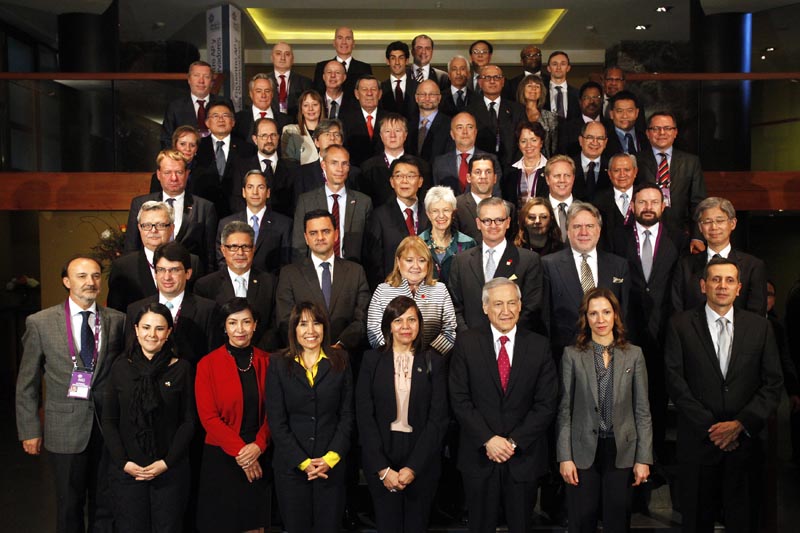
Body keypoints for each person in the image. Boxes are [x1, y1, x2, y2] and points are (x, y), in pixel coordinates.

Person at [665, 257, 783, 533]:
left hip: (745, 444)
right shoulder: (680, 325)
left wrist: (740, 425)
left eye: (729, 280)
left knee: (743, 521)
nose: (722, 286)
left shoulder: (760, 327)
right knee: (696, 522)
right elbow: (675, 381)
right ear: (703, 285)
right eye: (715, 279)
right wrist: (712, 428)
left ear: (739, 288)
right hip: (698, 443)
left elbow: (772, 384)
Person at [16, 255, 126, 533]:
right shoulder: (40, 323)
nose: (90, 282)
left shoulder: (118, 321)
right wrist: (29, 429)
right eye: (82, 276)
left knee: (106, 505)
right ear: (66, 281)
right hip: (64, 429)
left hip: (108, 427)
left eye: (96, 276)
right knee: (68, 506)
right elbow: (27, 382)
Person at [449, 277, 558, 533]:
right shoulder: (466, 343)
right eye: (498, 304)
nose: (506, 311)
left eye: (512, 303)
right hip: (479, 456)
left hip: (523, 457)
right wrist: (489, 439)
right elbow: (459, 399)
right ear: (485, 308)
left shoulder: (540, 346)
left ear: (520, 306)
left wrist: (512, 442)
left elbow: (546, 404)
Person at [557, 288, 653, 533]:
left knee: (617, 521)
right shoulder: (572, 355)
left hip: (621, 449)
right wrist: (564, 457)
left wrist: (643, 458)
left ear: (615, 315)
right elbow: (565, 410)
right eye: (593, 313)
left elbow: (642, 411)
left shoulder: (634, 355)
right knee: (582, 521)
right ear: (585, 318)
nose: (600, 320)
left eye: (606, 312)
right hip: (582, 451)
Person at [356, 296, 449, 533]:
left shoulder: (433, 361)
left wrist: (413, 468)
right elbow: (364, 417)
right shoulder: (371, 360)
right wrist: (383, 469)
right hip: (382, 460)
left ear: (420, 324)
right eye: (398, 320)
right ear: (388, 325)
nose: (405, 327)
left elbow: (438, 419)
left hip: (421, 461)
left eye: (412, 320)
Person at [103, 302, 195, 533]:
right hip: (128, 471)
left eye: (159, 328)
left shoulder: (182, 369)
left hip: (170, 470)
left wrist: (166, 463)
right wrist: (124, 463)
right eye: (146, 327)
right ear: (135, 329)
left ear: (169, 332)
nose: (151, 335)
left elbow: (189, 421)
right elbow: (109, 420)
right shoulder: (120, 367)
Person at [609, 184, 683, 460]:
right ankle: (627, 457)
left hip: (666, 330)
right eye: (642, 202)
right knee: (625, 398)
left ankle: (657, 460)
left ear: (663, 206)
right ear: (633, 206)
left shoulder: (679, 238)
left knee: (658, 399)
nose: (648, 207)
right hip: (628, 330)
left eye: (654, 201)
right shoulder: (616, 237)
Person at [266, 302, 354, 533]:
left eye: (316, 323)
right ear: (293, 329)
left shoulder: (341, 360)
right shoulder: (277, 363)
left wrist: (331, 457)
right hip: (292, 468)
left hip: (331, 466)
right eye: (303, 324)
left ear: (325, 327)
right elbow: (277, 420)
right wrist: (303, 462)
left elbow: (347, 415)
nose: (310, 331)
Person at [195, 298, 271, 533]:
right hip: (222, 456)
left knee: (255, 525)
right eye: (233, 322)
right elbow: (208, 418)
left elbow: (276, 411)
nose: (240, 329)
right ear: (224, 327)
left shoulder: (269, 361)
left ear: (255, 325)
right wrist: (242, 453)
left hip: (261, 452)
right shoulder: (207, 364)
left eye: (246, 322)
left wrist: (258, 446)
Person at [542, 201, 630, 359]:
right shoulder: (548, 265)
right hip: (564, 355)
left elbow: (624, 313)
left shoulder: (619, 265)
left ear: (599, 230)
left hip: (610, 355)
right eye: (577, 227)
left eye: (589, 226)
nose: (584, 232)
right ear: (568, 231)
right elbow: (545, 318)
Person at [277, 210, 370, 353]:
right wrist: (310, 348)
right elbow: (285, 320)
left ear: (336, 234)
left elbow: (362, 318)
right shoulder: (290, 274)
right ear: (306, 238)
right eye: (313, 233)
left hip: (346, 357)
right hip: (303, 358)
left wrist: (340, 345)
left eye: (326, 231)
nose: (320, 237)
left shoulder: (355, 271)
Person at [448, 197, 544, 335]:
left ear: (508, 222)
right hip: (471, 344)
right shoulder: (461, 261)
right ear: (478, 223)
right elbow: (455, 307)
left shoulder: (528, 260)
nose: (493, 226)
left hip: (512, 344)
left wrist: (505, 336)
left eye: (499, 220)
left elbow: (531, 307)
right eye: (487, 220)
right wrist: (469, 338)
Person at [126, 242, 221, 365]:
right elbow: (129, 355)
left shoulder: (208, 310)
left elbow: (213, 359)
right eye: (161, 270)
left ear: (188, 273)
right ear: (155, 273)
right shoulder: (135, 309)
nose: (167, 277)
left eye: (174, 270)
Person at [125, 149, 218, 272]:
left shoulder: (204, 207)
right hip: (147, 276)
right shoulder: (140, 204)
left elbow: (210, 257)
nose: (173, 178)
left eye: (179, 172)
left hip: (190, 279)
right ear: (158, 174)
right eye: (167, 172)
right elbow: (131, 248)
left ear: (187, 174)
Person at [672, 197, 767, 316]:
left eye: (720, 220)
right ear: (700, 228)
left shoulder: (753, 266)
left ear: (732, 224)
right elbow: (678, 311)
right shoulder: (685, 265)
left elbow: (757, 317)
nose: (714, 227)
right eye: (707, 222)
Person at [367, 236, 457, 356]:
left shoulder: (440, 290)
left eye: (422, 260)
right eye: (409, 260)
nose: (416, 266)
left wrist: (428, 357)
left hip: (432, 362)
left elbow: (449, 330)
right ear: (398, 262)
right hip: (390, 360)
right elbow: (374, 331)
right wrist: (394, 354)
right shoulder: (382, 290)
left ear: (429, 264)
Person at [196, 221, 278, 350]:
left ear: (253, 249)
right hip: (221, 357)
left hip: (261, 356)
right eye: (233, 247)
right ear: (223, 250)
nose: (240, 253)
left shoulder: (270, 282)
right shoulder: (206, 285)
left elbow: (274, 326)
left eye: (246, 247)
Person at [109, 200, 202, 313]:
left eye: (160, 225)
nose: (153, 230)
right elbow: (116, 313)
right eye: (147, 225)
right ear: (139, 228)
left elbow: (198, 306)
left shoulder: (192, 261)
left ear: (172, 228)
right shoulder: (123, 266)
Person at [637, 111, 708, 252]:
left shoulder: (691, 162)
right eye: (656, 128)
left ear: (675, 132)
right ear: (648, 133)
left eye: (667, 128)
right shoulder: (636, 161)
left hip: (682, 234)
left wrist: (698, 236)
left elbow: (698, 202)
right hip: (644, 231)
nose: (662, 132)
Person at [292, 144, 373, 263]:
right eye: (334, 163)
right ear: (323, 165)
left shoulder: (363, 202)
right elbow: (299, 246)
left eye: (344, 163)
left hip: (352, 273)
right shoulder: (306, 201)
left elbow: (368, 247)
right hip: (314, 274)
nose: (340, 169)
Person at [365, 155, 430, 288]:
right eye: (399, 176)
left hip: (427, 290)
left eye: (411, 176)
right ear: (392, 182)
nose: (404, 181)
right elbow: (374, 263)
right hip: (393, 291)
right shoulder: (379, 216)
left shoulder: (430, 213)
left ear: (420, 181)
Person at [216, 169, 292, 275]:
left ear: (268, 192)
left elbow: (285, 262)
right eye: (250, 187)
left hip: (271, 285)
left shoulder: (284, 224)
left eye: (260, 187)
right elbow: (222, 260)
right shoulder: (226, 223)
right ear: (243, 192)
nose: (255, 192)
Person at [194, 99, 256, 218]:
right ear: (207, 123)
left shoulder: (247, 149)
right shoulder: (198, 147)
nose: (221, 119)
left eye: (225, 115)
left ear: (233, 122)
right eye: (215, 116)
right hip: (204, 212)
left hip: (237, 212)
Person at [230, 116, 300, 217]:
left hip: (284, 225)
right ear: (255, 139)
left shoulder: (293, 167)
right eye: (264, 136)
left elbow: (297, 202)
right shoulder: (242, 167)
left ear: (278, 137)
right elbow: (236, 200)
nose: (269, 140)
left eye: (273, 135)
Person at [467, 64, 525, 168]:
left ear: (502, 82)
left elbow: (524, 140)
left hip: (512, 168)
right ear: (480, 82)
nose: (492, 81)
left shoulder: (517, 110)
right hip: (480, 168)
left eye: (496, 77)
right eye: (487, 77)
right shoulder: (469, 111)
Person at [419, 185, 477, 283]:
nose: (441, 216)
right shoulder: (419, 243)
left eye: (446, 210)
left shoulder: (468, 244)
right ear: (428, 214)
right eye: (435, 211)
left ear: (454, 213)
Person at [431, 111, 498, 194]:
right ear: (452, 134)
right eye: (459, 127)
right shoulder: (440, 163)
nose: (465, 132)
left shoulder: (491, 160)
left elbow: (496, 195)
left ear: (475, 132)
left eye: (470, 127)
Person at [455, 153, 512, 243]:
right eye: (478, 172)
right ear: (469, 178)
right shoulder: (456, 206)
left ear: (495, 178)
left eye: (488, 172)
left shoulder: (508, 207)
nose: (483, 176)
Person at [160, 60, 217, 147]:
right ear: (189, 79)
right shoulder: (175, 107)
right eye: (196, 76)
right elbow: (167, 139)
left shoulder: (223, 103)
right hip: (185, 158)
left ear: (212, 82)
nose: (201, 81)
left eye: (206, 77)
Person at [340, 74, 386, 166]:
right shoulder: (344, 120)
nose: (369, 93)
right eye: (364, 89)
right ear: (357, 94)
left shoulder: (389, 119)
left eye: (373, 89)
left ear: (380, 94)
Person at [502, 120, 549, 209]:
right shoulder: (510, 171)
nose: (529, 145)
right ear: (519, 145)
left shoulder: (551, 169)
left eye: (533, 140)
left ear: (541, 143)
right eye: (523, 141)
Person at [313, 26, 373, 95]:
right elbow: (316, 95)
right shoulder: (321, 67)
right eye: (340, 38)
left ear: (353, 43)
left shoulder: (364, 68)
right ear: (334, 43)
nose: (344, 42)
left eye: (348, 38)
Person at [233, 73, 289, 145]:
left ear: (272, 94)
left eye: (267, 91)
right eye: (259, 91)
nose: (263, 95)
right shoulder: (238, 119)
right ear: (251, 94)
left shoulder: (286, 121)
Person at [150, 125, 205, 194]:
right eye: (182, 144)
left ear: (196, 149)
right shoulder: (160, 175)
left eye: (192, 145)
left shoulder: (205, 175)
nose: (187, 149)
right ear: (175, 146)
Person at [408, 79, 451, 163]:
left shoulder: (450, 125)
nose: (427, 98)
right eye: (423, 94)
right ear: (416, 98)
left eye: (432, 94)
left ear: (439, 98)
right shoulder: (408, 123)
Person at [557, 81, 604, 156]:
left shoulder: (610, 126)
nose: (591, 101)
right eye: (586, 98)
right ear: (580, 101)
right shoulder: (567, 128)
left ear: (602, 100)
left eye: (595, 97)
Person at [516, 75, 558, 157]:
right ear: (522, 90)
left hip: (545, 162)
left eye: (537, 86)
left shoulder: (550, 116)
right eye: (529, 86)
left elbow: (554, 145)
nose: (533, 89)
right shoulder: (514, 113)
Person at [268, 42, 313, 118]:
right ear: (272, 58)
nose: (283, 58)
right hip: (269, 124)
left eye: (287, 54)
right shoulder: (262, 81)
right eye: (278, 53)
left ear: (292, 59)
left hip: (296, 125)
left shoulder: (306, 82)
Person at [280, 89, 325, 165]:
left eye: (315, 104)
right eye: (306, 105)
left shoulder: (330, 131)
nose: (310, 109)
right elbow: (288, 163)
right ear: (301, 109)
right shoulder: (290, 131)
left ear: (321, 107)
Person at [603, 91, 649, 158]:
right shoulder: (604, 140)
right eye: (620, 111)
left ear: (637, 113)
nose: (625, 116)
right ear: (611, 114)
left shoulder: (646, 138)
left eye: (630, 111)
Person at [379, 41, 417, 119]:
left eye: (401, 58)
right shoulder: (380, 88)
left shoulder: (418, 87)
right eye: (393, 58)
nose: (397, 62)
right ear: (387, 61)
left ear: (407, 61)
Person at [544, 51, 580, 121]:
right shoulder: (540, 92)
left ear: (568, 68)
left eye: (563, 64)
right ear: (548, 68)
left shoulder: (578, 94)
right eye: (554, 64)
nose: (558, 67)